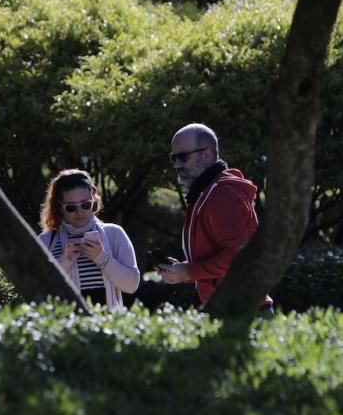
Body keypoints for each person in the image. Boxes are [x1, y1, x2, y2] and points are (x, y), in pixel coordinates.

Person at [157, 123, 274, 312]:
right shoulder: (206, 193)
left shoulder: (222, 194)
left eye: (183, 157)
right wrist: (183, 270)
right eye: (173, 158)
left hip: (242, 311)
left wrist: (188, 272)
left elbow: (237, 259)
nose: (177, 164)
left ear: (207, 154)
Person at [38, 169, 140, 308]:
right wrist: (64, 260)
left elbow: (131, 285)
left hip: (108, 325)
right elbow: (38, 291)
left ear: (94, 198)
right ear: (60, 207)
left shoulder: (114, 234)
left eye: (85, 204)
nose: (79, 212)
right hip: (65, 325)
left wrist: (102, 258)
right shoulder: (46, 240)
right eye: (71, 208)